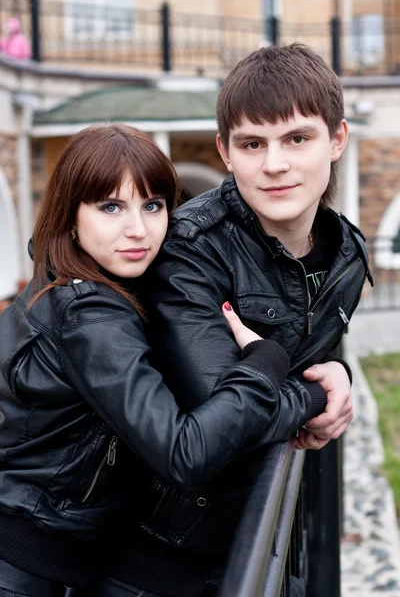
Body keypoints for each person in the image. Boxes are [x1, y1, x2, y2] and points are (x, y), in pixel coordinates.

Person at [94, 44, 374, 596]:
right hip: (158, 560)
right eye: (253, 143)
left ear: (337, 139)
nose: (275, 164)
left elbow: (302, 365)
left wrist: (333, 370)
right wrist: (321, 394)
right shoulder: (190, 249)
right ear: (226, 151)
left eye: (297, 138)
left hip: (266, 538)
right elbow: (219, 413)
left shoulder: (347, 256)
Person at [0, 123, 325, 597]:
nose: (138, 229)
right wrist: (279, 372)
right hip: (22, 568)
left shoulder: (90, 281)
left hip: (57, 562)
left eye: (152, 205)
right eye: (110, 207)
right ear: (71, 215)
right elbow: (185, 453)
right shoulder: (89, 316)